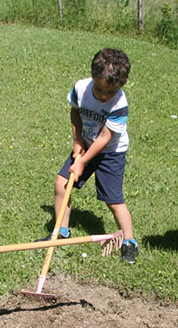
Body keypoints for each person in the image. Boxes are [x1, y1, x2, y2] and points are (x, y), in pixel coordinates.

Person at [37, 48, 139, 263]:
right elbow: (75, 112)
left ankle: (129, 241)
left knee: (113, 200)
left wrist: (82, 161)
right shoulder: (80, 88)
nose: (103, 96)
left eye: (109, 92)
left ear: (124, 83)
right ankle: (61, 232)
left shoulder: (120, 104)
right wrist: (77, 141)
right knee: (61, 183)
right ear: (92, 76)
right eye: (99, 88)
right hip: (86, 143)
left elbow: (104, 138)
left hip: (110, 152)